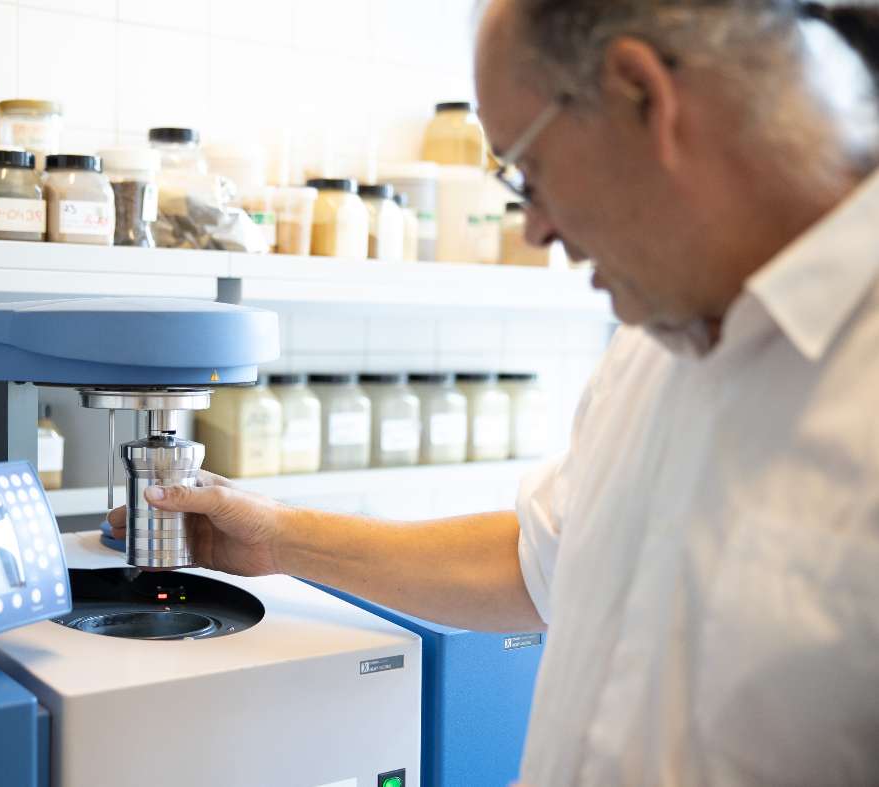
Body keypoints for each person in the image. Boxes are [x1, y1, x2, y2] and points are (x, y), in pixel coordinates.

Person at [110, 1, 879, 782]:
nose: (536, 228)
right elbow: (535, 558)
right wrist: (276, 537)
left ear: (641, 93)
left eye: (528, 171)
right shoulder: (654, 336)